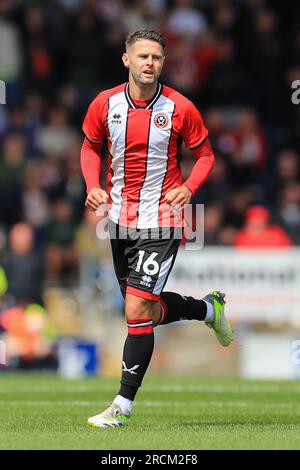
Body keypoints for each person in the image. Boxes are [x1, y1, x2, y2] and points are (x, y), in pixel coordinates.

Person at [81, 30, 233, 428]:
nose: (150, 62)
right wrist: (92, 185)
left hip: (162, 219)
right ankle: (206, 309)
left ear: (163, 63)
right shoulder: (105, 103)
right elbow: (89, 146)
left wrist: (188, 188)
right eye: (143, 56)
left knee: (135, 308)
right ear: (126, 60)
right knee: (141, 311)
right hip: (120, 221)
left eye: (157, 57)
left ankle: (122, 406)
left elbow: (205, 155)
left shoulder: (180, 107)